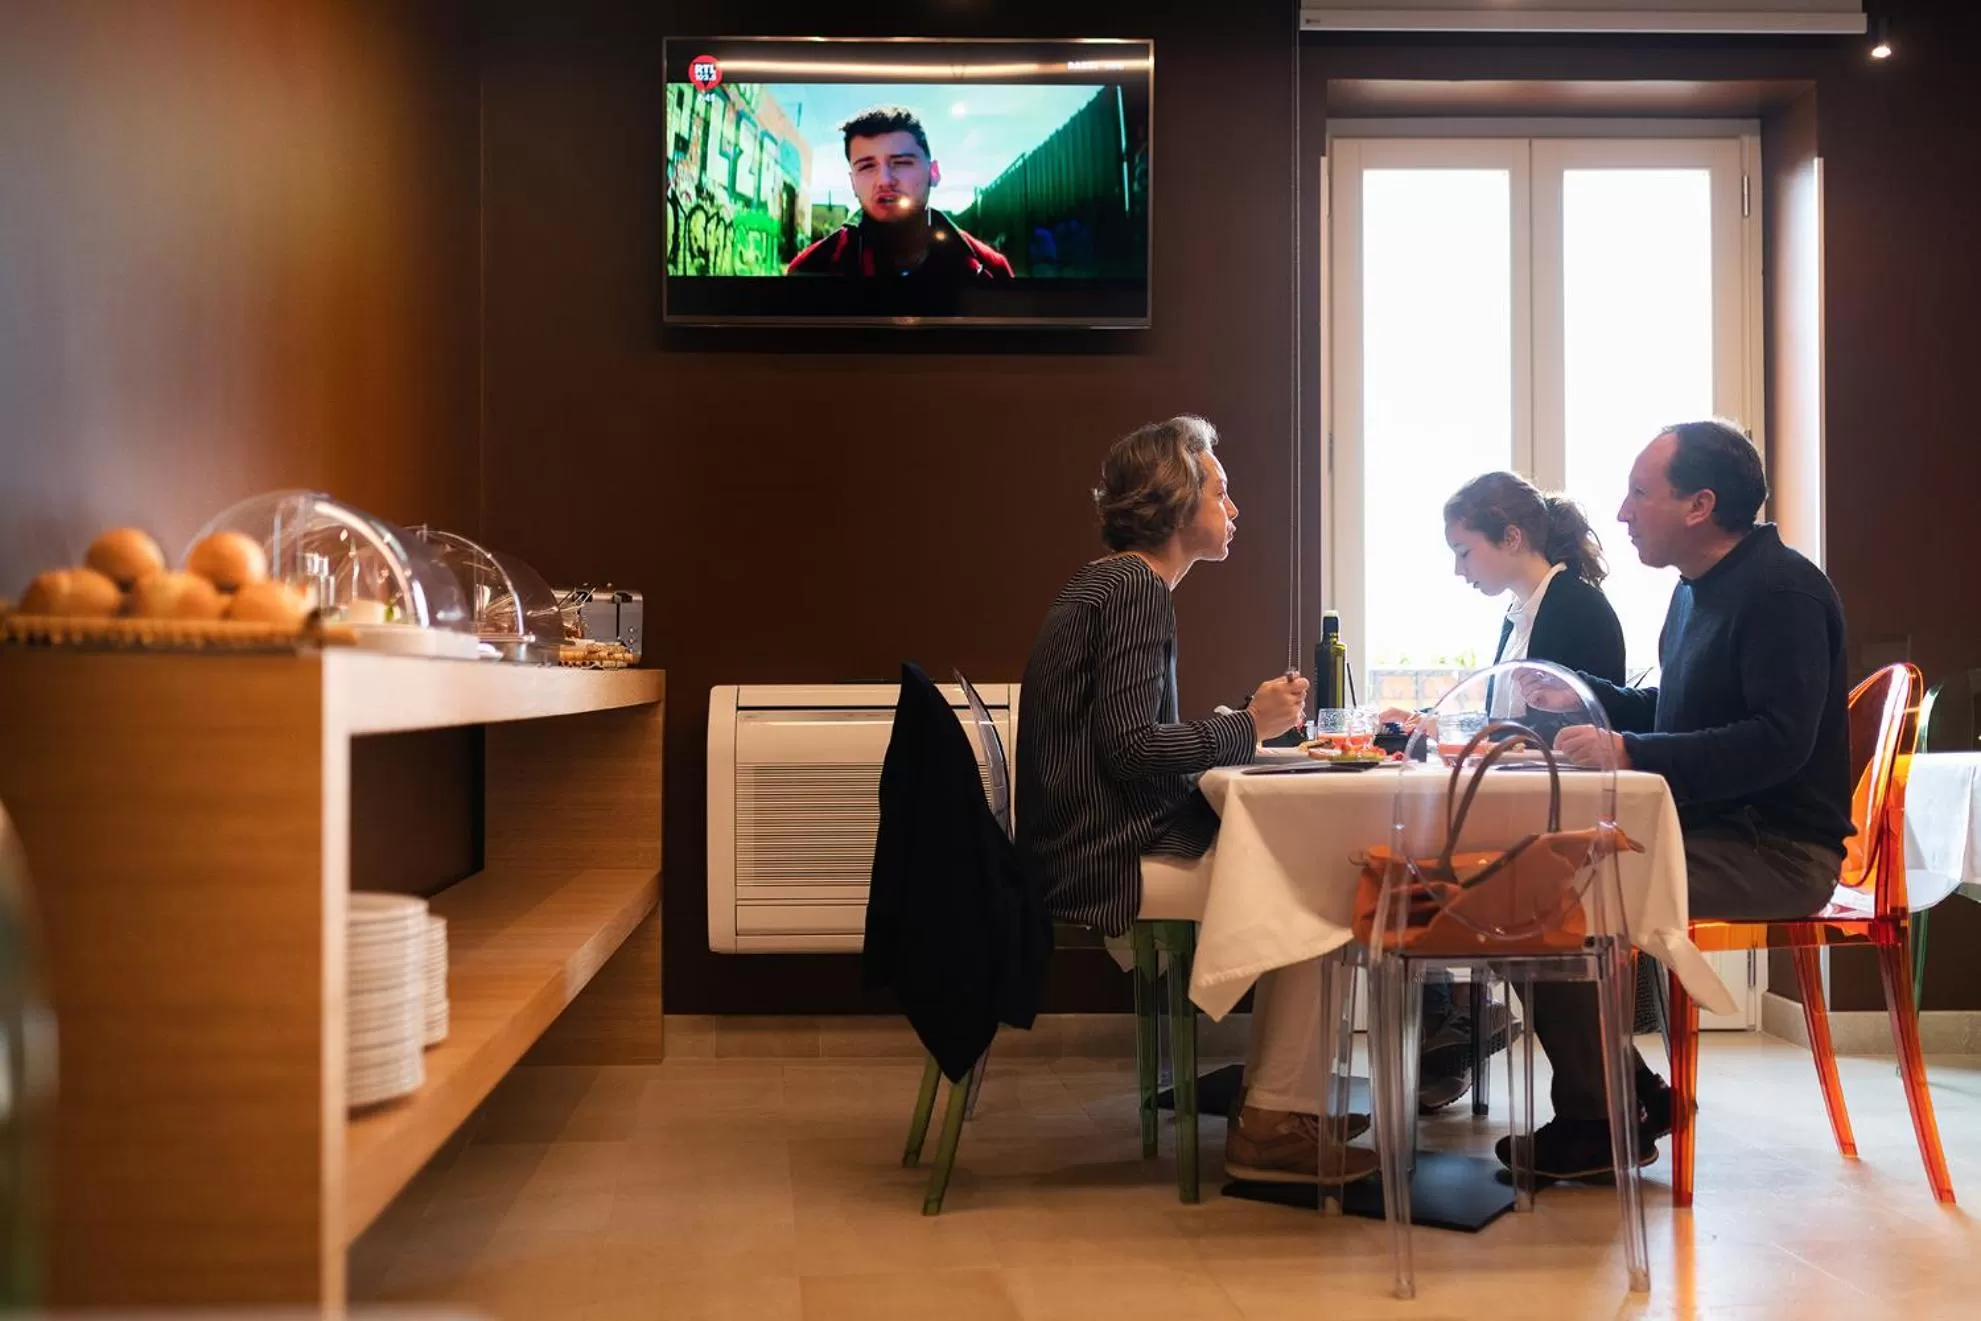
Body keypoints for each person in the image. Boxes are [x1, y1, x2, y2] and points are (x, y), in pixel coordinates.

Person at [1015, 416, 1376, 1184]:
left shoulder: (1104, 583)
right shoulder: (1137, 591)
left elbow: (1123, 741)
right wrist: (1248, 726)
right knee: (1327, 887)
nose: (1233, 507)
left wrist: (1242, 726)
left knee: (1306, 873)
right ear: (1178, 503)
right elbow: (1130, 750)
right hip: (1105, 860)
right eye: (1220, 489)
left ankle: (1287, 1098)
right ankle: (1274, 1120)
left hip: (1076, 844)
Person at [1508, 420, 1852, 1180]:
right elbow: (1674, 711)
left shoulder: (1783, 591)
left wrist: (1630, 751)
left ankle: (1601, 1120)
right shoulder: (1696, 592)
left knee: (1540, 894)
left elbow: (1775, 740)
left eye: (1639, 492)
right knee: (1518, 884)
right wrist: (1579, 694)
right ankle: (1626, 1095)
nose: (1623, 513)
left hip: (1777, 849)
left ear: (1699, 505)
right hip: (1711, 831)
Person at [1413, 473, 1628, 1112]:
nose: (1459, 570)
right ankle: (1457, 1009)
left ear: (1511, 538)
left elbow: (1558, 729)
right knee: (1423, 855)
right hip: (1532, 796)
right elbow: (1512, 724)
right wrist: (1442, 725)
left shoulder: (1574, 607)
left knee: (1423, 862)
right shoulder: (1525, 611)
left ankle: (1455, 1012)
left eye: (1464, 551)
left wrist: (1460, 733)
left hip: (1561, 810)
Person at [786, 107, 1013, 280]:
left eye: (902, 163)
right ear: (852, 183)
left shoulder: (990, 269)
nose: (884, 180)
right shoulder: (811, 268)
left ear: (933, 173)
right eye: (866, 166)